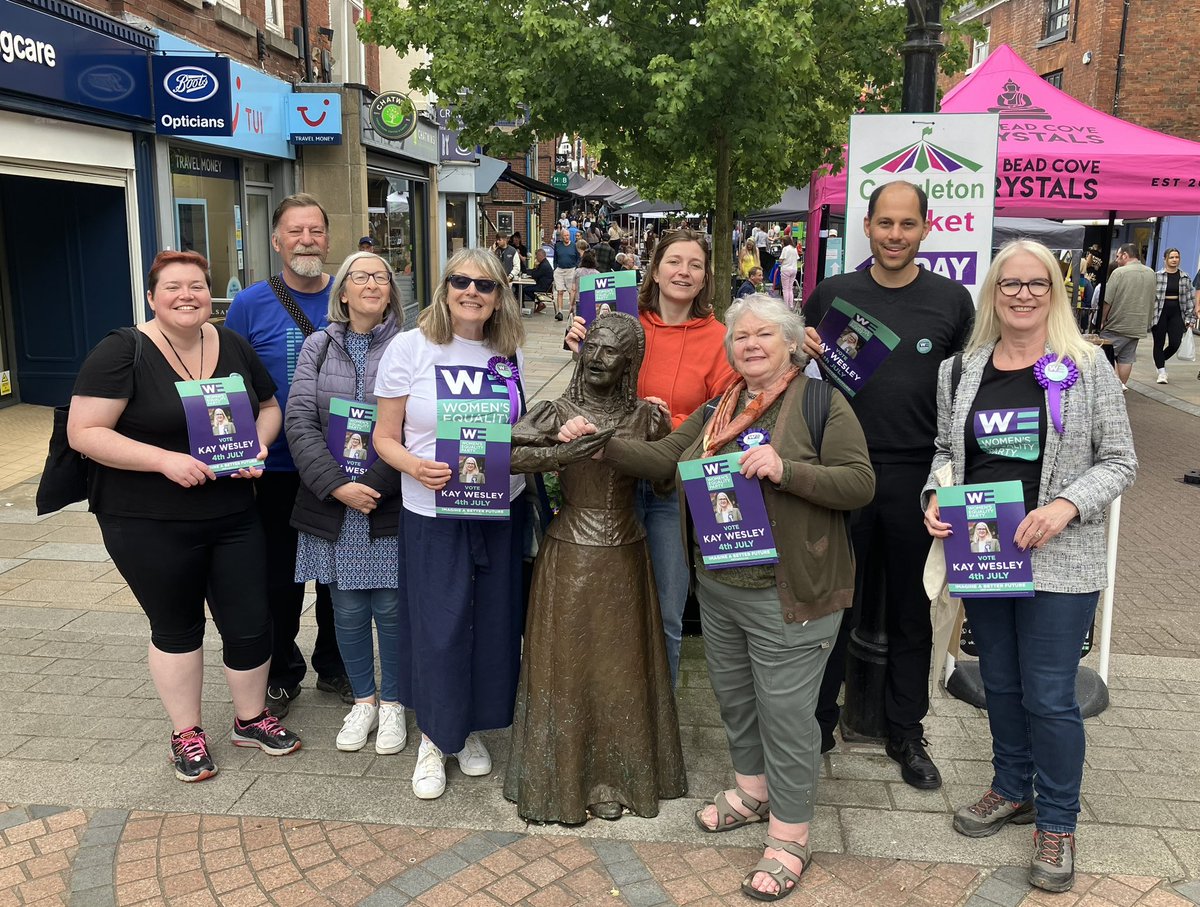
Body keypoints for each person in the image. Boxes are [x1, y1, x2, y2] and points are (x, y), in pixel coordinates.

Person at [565, 295, 873, 899]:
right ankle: (753, 792)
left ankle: (790, 835)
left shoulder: (821, 403)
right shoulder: (718, 407)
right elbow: (663, 458)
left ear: (792, 344)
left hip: (792, 591)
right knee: (735, 700)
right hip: (721, 584)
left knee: (787, 717)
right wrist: (600, 444)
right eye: (740, 337)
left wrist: (787, 469)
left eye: (764, 334)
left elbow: (860, 483)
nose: (750, 344)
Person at [922, 240, 1136, 893]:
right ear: (994, 292)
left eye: (1036, 283)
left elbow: (1120, 461)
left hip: (1060, 558)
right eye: (1010, 283)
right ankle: (1012, 786)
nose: (1022, 294)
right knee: (1002, 684)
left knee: (1049, 693)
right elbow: (944, 450)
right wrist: (934, 495)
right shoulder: (960, 370)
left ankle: (1058, 821)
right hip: (986, 552)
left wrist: (1066, 505)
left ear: (1054, 291)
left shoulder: (1088, 366)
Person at [67, 250, 300, 783]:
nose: (186, 296)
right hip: (148, 518)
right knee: (177, 626)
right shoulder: (122, 350)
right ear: (152, 297)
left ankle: (251, 719)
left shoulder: (231, 343)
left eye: (196, 285)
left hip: (233, 512)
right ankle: (186, 733)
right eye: (172, 287)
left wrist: (258, 447)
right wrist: (164, 461)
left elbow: (269, 408)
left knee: (250, 621)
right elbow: (85, 432)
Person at [803, 180, 974, 784]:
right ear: (867, 227)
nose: (895, 235)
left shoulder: (952, 301)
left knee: (909, 610)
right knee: (831, 606)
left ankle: (906, 731)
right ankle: (817, 726)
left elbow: (969, 391)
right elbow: (793, 374)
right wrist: (799, 349)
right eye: (885, 223)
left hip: (915, 478)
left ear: (926, 228)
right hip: (838, 471)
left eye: (907, 224)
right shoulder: (832, 295)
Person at [505, 313, 687, 824]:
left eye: (612, 351)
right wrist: (561, 452)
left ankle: (617, 776)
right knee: (567, 666)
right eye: (594, 347)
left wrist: (662, 434)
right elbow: (502, 453)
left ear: (630, 363)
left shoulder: (644, 416)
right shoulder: (555, 409)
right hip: (569, 551)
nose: (599, 358)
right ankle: (560, 777)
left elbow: (666, 482)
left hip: (627, 551)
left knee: (620, 668)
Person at [374, 248, 528, 800]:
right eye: (461, 281)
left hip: (498, 507)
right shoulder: (410, 348)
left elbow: (517, 428)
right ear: (444, 288)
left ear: (499, 297)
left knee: (492, 624)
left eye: (485, 285)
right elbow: (383, 437)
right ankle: (434, 738)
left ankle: (468, 729)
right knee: (438, 627)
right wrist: (415, 466)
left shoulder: (507, 351)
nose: (472, 292)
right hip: (432, 511)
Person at [565, 228, 736, 686]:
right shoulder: (623, 326)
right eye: (674, 261)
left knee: (665, 609)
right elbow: (591, 398)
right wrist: (583, 354)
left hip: (671, 490)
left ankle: (660, 714)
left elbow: (721, 419)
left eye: (695, 265)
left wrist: (667, 422)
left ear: (705, 278)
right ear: (655, 271)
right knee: (605, 603)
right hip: (611, 481)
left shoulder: (720, 340)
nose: (684, 272)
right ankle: (606, 703)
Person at [225, 194, 352, 718]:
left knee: (339, 574)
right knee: (277, 576)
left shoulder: (351, 295)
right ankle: (280, 671)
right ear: (277, 242)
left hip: (342, 465)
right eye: (295, 232)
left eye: (316, 231)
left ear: (328, 238)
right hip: (274, 468)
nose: (307, 240)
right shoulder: (250, 304)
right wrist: (236, 452)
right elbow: (230, 382)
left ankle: (337, 665)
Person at [286, 251, 408, 756]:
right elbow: (298, 420)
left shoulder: (409, 346)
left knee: (393, 608)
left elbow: (416, 425)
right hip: (332, 501)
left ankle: (395, 702)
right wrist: (337, 486)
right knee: (347, 608)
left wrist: (373, 486)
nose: (372, 284)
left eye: (381, 276)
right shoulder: (317, 346)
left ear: (391, 291)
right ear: (343, 291)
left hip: (389, 497)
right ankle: (364, 700)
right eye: (361, 276)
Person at [1098, 243, 1156, 389]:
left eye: (1118, 256)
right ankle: (1121, 385)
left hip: (1117, 323)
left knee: (1105, 356)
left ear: (1125, 255)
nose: (1116, 259)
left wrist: (1102, 320)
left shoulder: (1119, 273)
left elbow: (1107, 300)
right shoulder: (1151, 273)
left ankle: (1111, 388)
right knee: (1126, 358)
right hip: (1138, 324)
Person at [1150, 248, 1196, 384]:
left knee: (1175, 343)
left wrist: (1190, 317)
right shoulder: (1157, 276)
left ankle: (1160, 361)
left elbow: (1190, 298)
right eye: (1171, 257)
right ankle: (1162, 372)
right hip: (1159, 312)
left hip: (1177, 312)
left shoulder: (1185, 277)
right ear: (1165, 259)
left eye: (1177, 257)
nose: (1174, 260)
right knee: (1158, 343)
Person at [553, 228, 580, 322]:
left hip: (571, 270)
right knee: (560, 291)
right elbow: (555, 258)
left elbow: (578, 258)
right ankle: (559, 312)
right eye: (565, 235)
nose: (567, 237)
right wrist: (555, 268)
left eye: (568, 235)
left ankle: (571, 311)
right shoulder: (557, 245)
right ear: (561, 237)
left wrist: (576, 268)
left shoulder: (574, 246)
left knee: (571, 291)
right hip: (560, 270)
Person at [778, 236, 801, 311]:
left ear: (785, 242)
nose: (781, 243)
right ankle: (791, 305)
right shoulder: (794, 249)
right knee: (790, 288)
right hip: (794, 269)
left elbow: (781, 260)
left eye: (782, 241)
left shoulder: (785, 249)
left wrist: (779, 260)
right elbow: (797, 258)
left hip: (786, 269)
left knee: (785, 289)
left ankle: (786, 306)